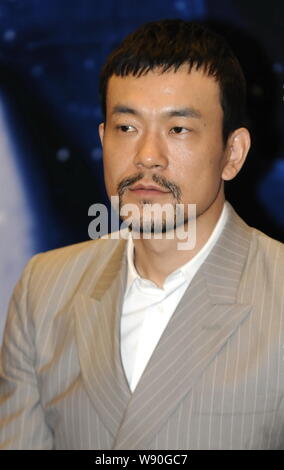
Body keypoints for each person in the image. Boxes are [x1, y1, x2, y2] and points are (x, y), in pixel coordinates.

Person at [0, 19, 283, 451]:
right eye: (127, 128)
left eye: (178, 129)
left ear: (232, 154)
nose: (147, 156)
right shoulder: (45, 287)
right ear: (103, 138)